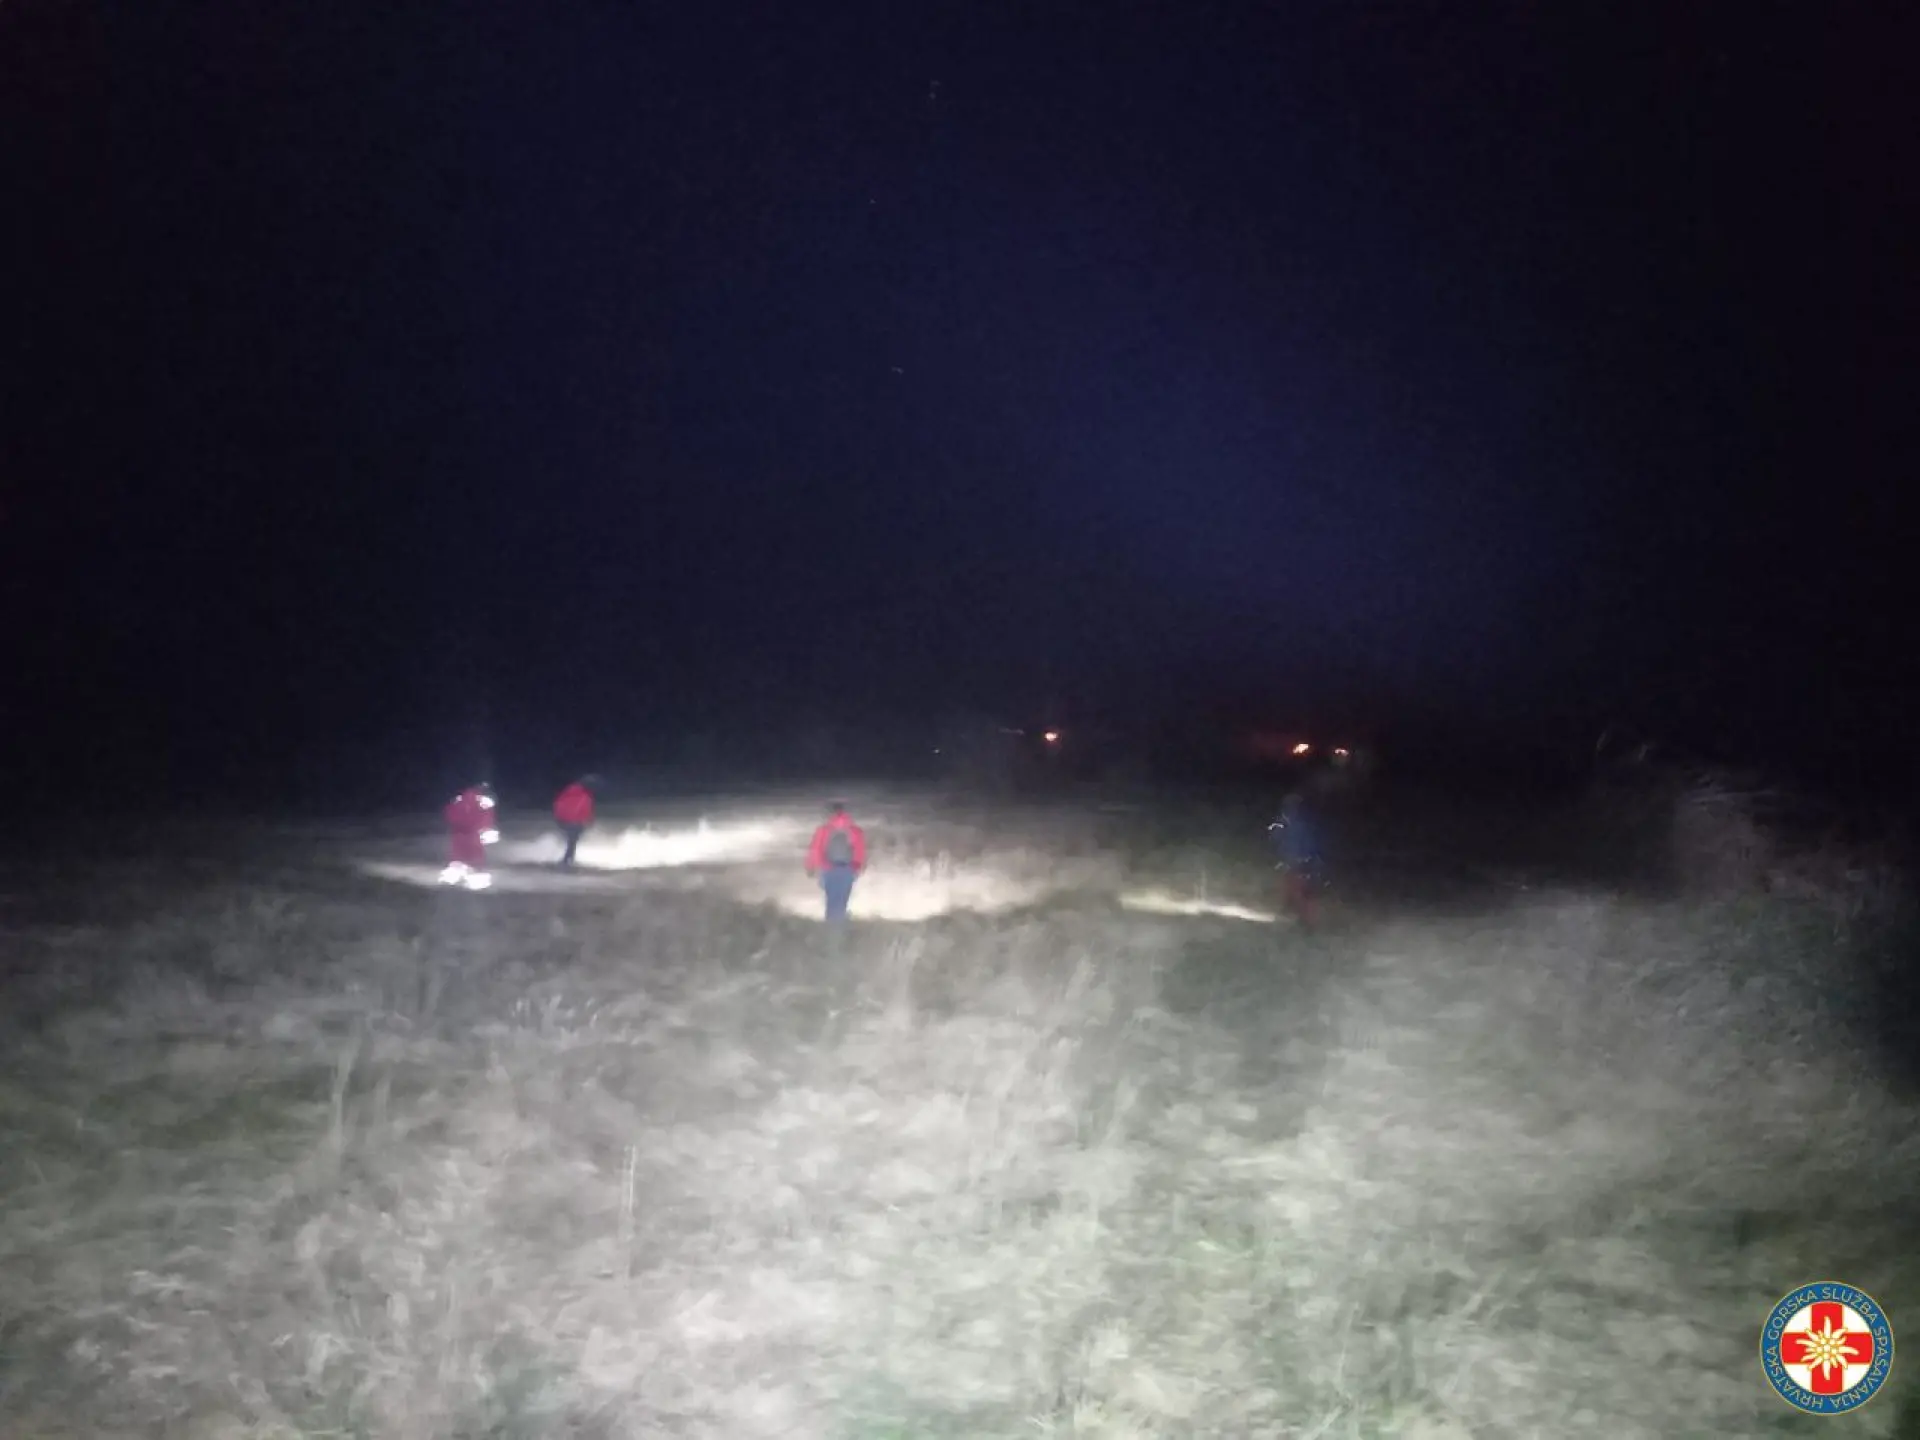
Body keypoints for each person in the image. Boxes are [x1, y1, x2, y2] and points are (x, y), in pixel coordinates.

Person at [805, 801, 868, 924]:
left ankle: (830, 924)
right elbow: (860, 850)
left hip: (829, 869)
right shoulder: (855, 830)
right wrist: (859, 866)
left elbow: (816, 849)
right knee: (843, 899)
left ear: (830, 814)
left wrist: (810, 866)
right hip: (848, 869)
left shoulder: (823, 830)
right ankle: (841, 922)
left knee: (831, 899)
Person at [1267, 791, 1324, 926]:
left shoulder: (1291, 823)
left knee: (1299, 890)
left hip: (1298, 862)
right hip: (1303, 861)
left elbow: (1278, 839)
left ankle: (1302, 919)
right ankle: (1299, 917)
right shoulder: (1302, 822)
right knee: (1301, 890)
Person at [440, 782, 499, 890]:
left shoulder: (459, 799)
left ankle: (456, 874)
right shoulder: (482, 801)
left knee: (459, 854)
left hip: (460, 832)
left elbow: (450, 813)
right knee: (473, 854)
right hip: (471, 833)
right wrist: (486, 828)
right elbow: (486, 816)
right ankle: (472, 875)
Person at [552, 775, 598, 869]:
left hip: (564, 820)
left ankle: (568, 860)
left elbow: (558, 803)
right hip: (574, 822)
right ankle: (566, 861)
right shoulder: (585, 795)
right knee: (572, 842)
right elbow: (585, 808)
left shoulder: (570, 790)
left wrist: (558, 818)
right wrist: (588, 820)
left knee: (571, 841)